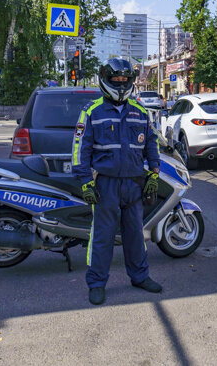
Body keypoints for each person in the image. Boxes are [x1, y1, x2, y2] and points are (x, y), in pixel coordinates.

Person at [71, 58, 162, 305]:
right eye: (116, 80)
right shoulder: (92, 111)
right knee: (102, 236)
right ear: (105, 81)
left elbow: (151, 144)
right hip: (106, 185)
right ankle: (97, 283)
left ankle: (140, 277)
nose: (121, 84)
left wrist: (154, 174)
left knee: (135, 235)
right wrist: (85, 182)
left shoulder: (140, 112)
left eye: (125, 80)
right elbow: (80, 149)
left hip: (133, 184)